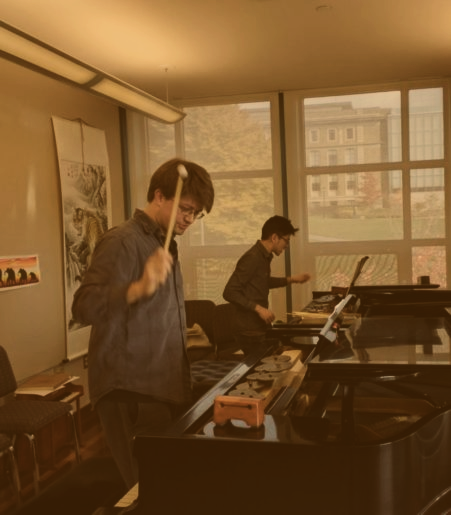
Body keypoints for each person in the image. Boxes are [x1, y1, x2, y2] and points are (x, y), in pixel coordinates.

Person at [71, 158, 214, 489]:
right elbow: (83, 306)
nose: (190, 219)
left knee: (164, 485)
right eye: (186, 209)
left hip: (157, 383)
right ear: (160, 196)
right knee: (146, 489)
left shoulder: (161, 243)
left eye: (196, 213)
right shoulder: (122, 241)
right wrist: (137, 288)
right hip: (129, 388)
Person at [223, 215, 310, 355]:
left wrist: (292, 279)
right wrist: (259, 309)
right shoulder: (253, 257)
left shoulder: (264, 256)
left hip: (257, 325)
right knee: (265, 370)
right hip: (248, 329)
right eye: (286, 241)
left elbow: (263, 282)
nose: (286, 246)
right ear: (274, 237)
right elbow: (229, 291)